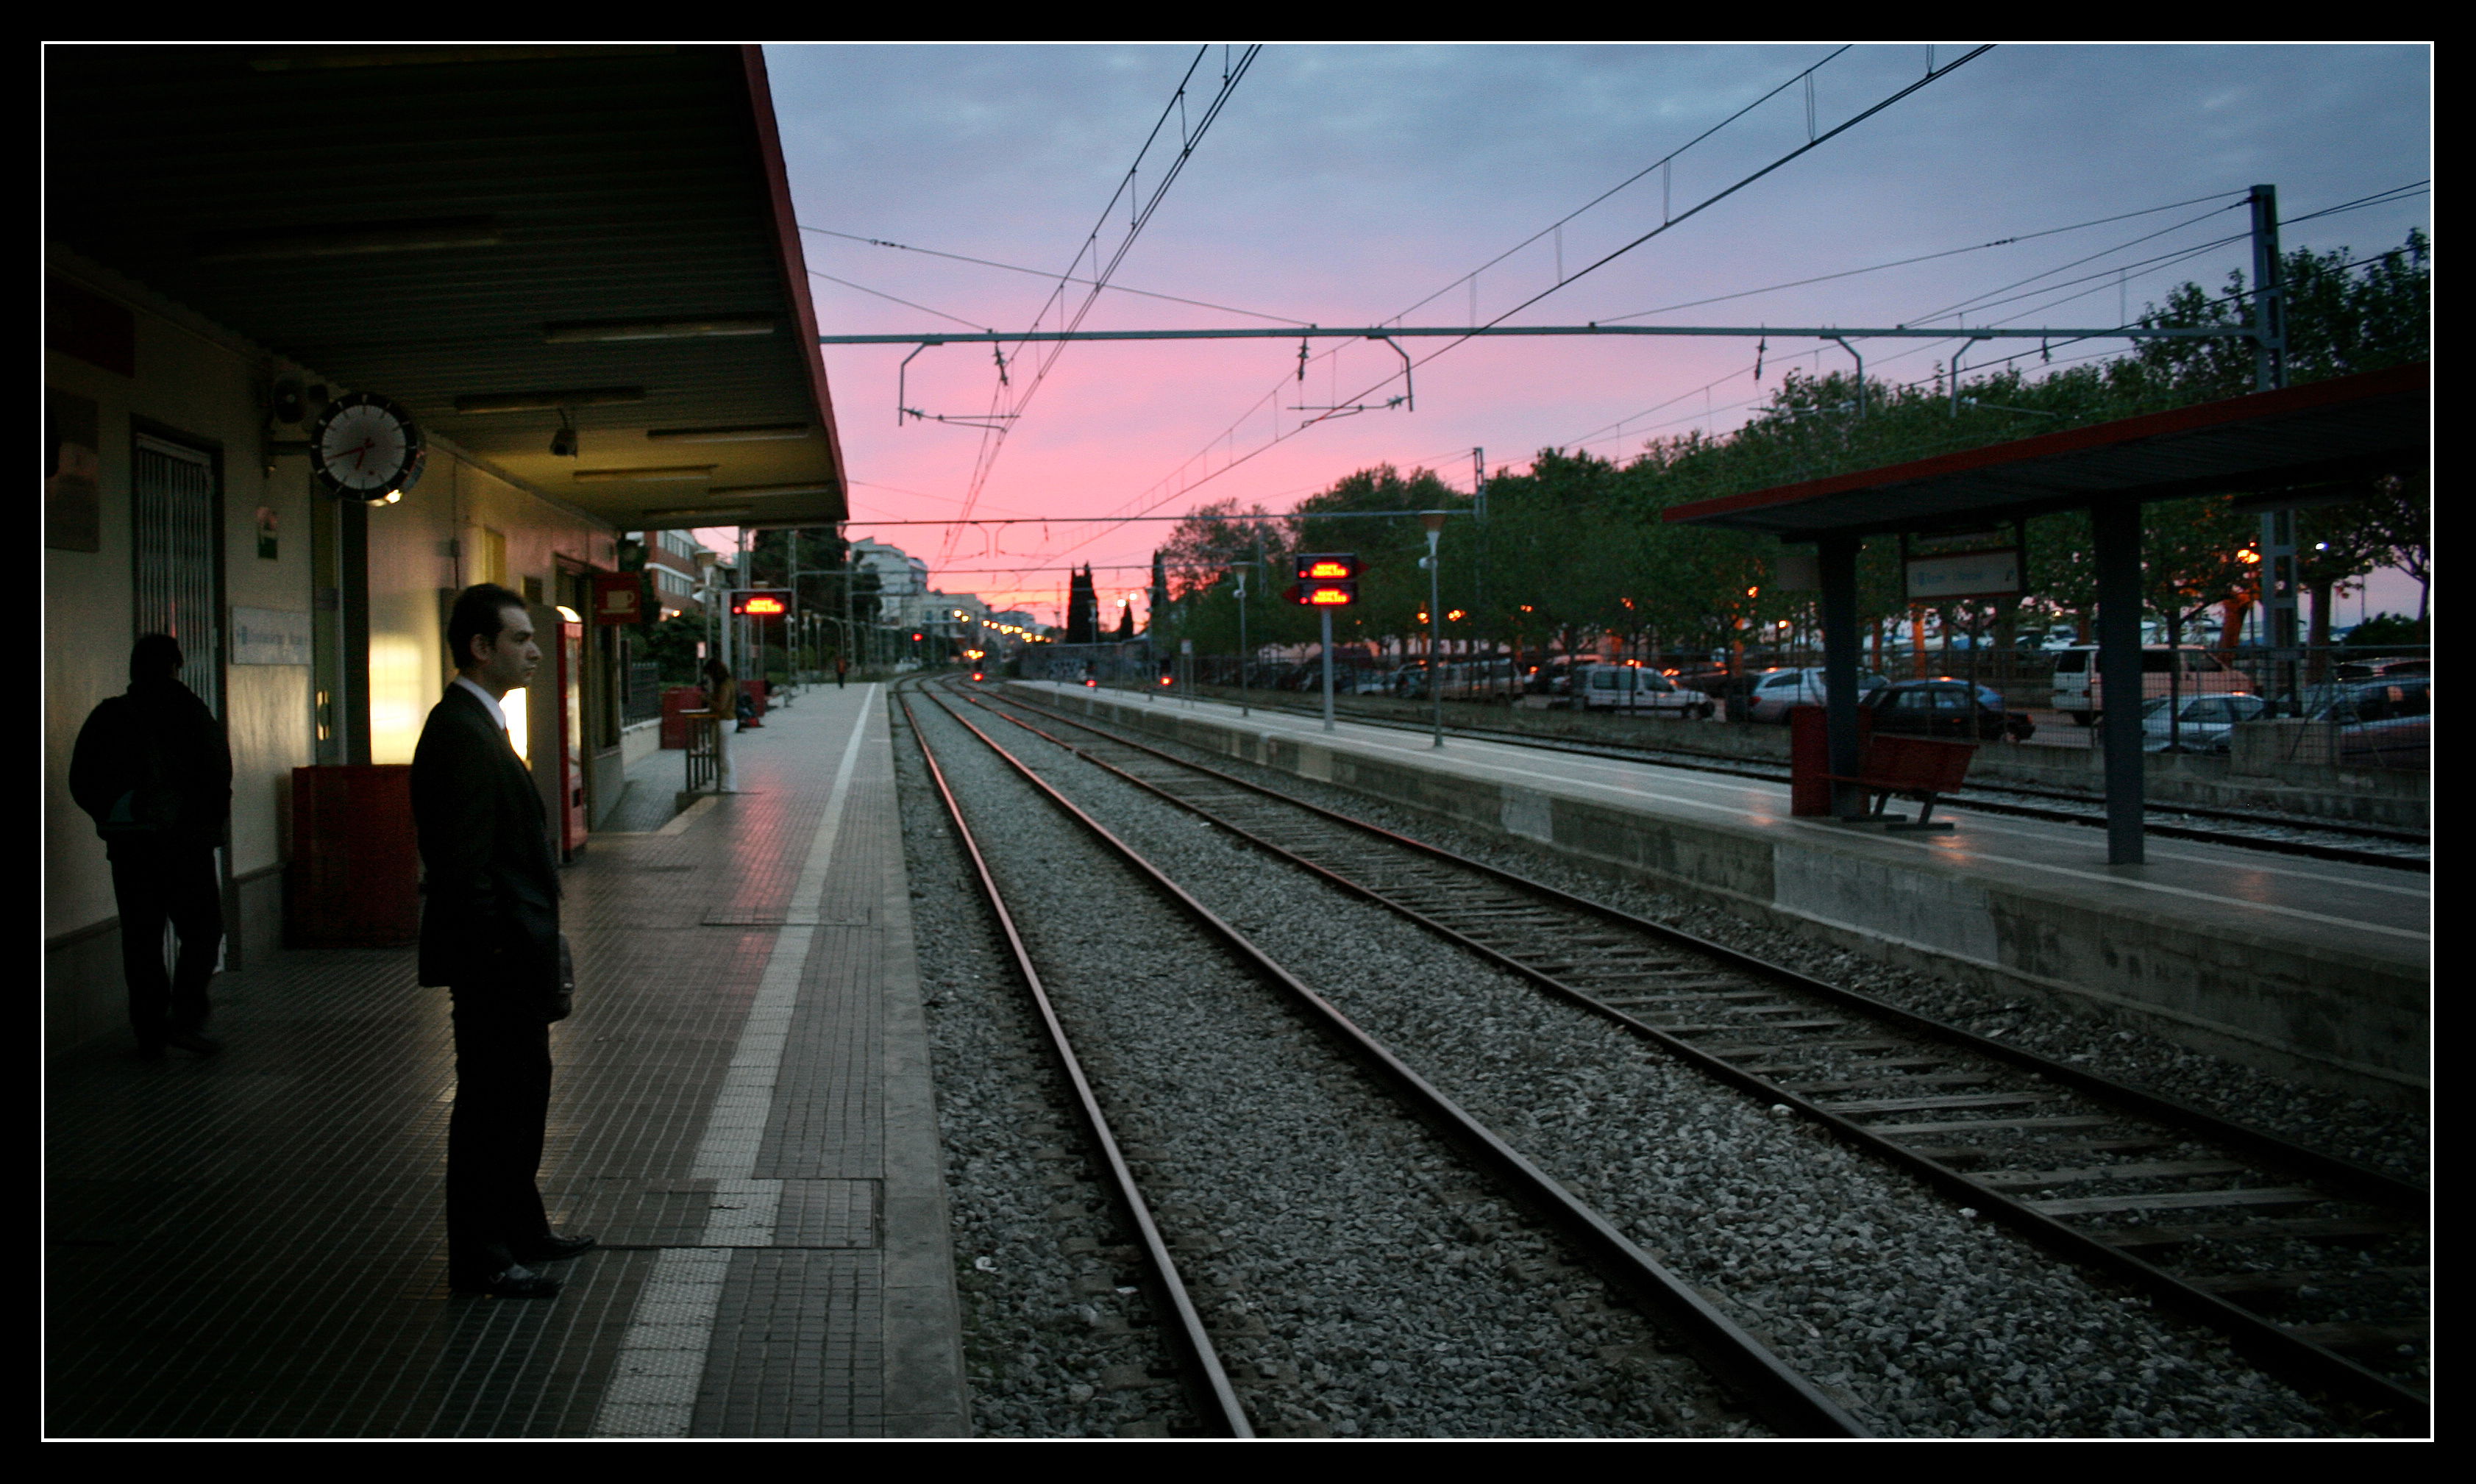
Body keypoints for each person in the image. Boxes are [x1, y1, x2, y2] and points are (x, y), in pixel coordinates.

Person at [410, 584, 594, 1299]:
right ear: (481, 648)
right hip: (493, 963)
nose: (535, 650)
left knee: (523, 1095)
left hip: (512, 959)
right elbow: (463, 866)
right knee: (489, 1106)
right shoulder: (458, 731)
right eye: (520, 638)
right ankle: (482, 1255)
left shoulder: (481, 723)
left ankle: (522, 1227)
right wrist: (495, 956)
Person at [69, 634, 232, 1058]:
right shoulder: (191, 714)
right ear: (176, 666)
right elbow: (218, 775)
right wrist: (205, 827)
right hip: (186, 849)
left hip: (132, 851)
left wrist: (117, 819)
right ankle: (186, 1018)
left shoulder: (109, 717)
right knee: (202, 932)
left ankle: (149, 1032)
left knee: (141, 939)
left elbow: (82, 780)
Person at [700, 657, 740, 791]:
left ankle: (728, 785)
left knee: (723, 754)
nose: (710, 678)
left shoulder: (724, 685)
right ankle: (725, 783)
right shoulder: (728, 682)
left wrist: (706, 699)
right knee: (720, 754)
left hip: (724, 721)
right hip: (726, 721)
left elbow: (721, 706)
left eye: (710, 674)